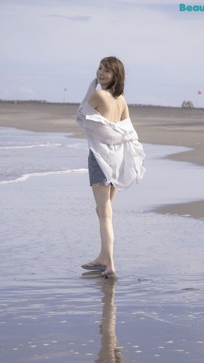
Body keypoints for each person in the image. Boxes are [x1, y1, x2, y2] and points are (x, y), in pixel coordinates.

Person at [76, 56, 145, 278]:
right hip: (116, 160)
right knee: (103, 211)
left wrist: (91, 85)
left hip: (100, 158)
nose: (101, 73)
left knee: (105, 214)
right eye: (99, 68)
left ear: (116, 75)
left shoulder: (98, 95)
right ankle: (103, 257)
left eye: (106, 71)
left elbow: (80, 116)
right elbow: (127, 131)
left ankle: (110, 264)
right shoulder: (122, 100)